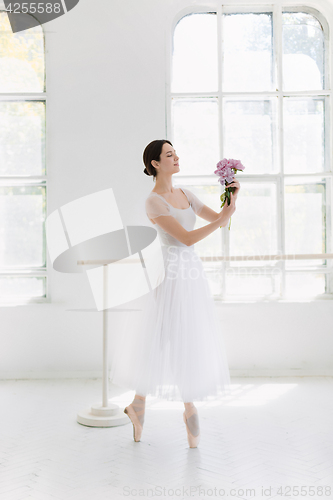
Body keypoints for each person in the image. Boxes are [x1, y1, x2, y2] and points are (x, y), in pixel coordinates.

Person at [120, 139, 240, 447]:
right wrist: (223, 220)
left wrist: (231, 200)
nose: (176, 157)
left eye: (176, 153)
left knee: (184, 335)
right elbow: (185, 239)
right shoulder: (154, 201)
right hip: (170, 271)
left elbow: (216, 219)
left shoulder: (186, 194)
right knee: (164, 336)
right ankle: (169, 406)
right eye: (169, 155)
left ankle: (144, 405)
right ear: (156, 164)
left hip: (190, 273)